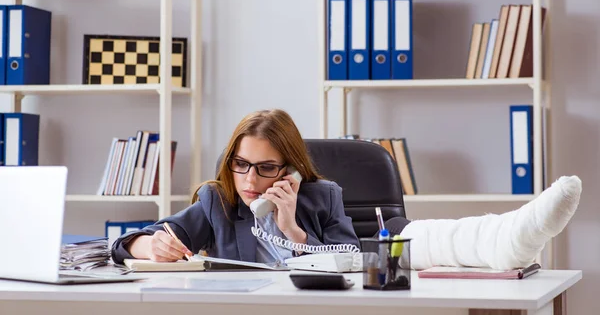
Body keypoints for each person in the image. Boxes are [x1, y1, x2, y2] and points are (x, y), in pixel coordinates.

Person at [111, 109, 582, 271]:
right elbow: (140, 239)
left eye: (266, 168)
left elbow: (352, 260)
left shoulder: (324, 197)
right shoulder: (218, 199)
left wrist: (292, 227)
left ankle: (510, 236)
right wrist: (148, 243)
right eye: (240, 165)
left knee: (416, 243)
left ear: (291, 169)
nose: (251, 181)